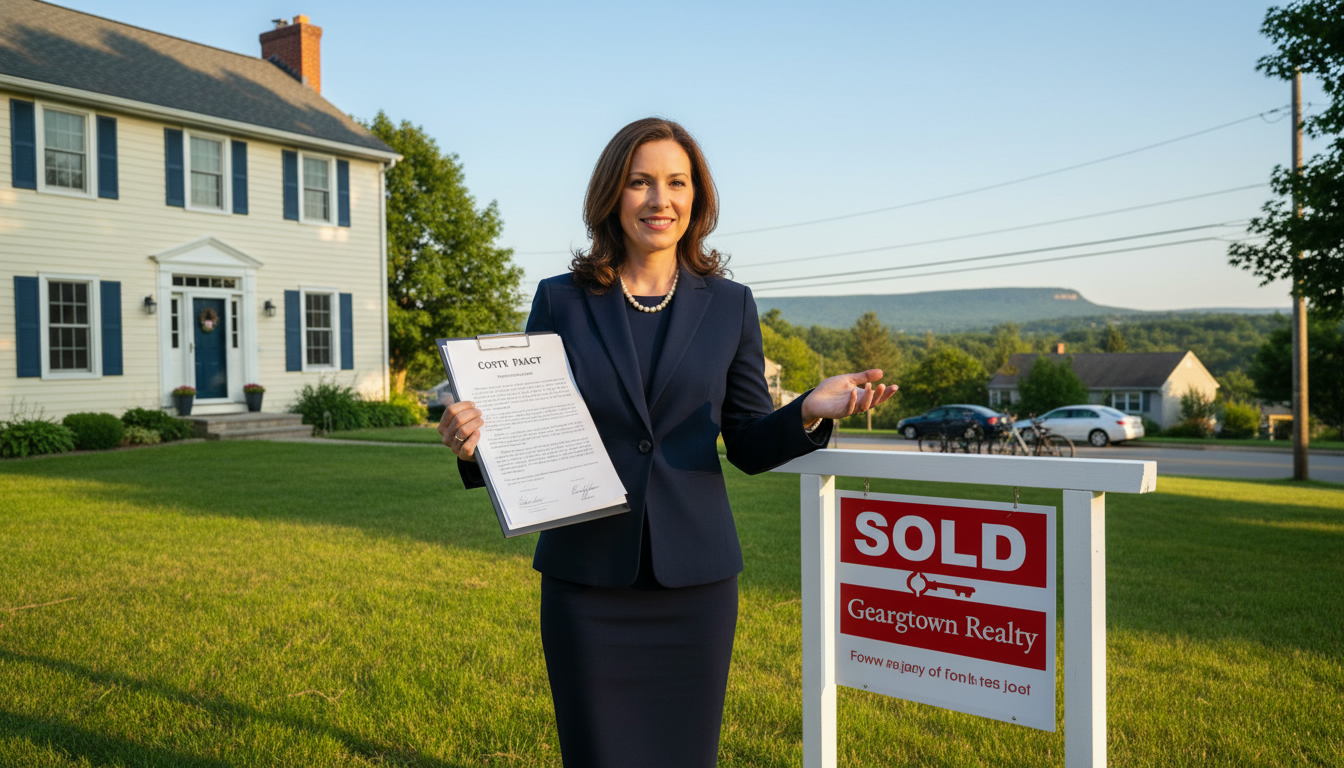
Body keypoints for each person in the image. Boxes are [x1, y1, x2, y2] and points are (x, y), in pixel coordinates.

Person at [439, 117, 894, 767]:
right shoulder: (560, 301)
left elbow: (745, 442)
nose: (660, 200)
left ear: (697, 197)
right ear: (611, 197)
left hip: (696, 585)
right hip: (587, 579)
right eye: (640, 182)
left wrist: (808, 412)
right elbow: (526, 426)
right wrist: (473, 444)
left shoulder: (731, 304)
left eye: (676, 182)